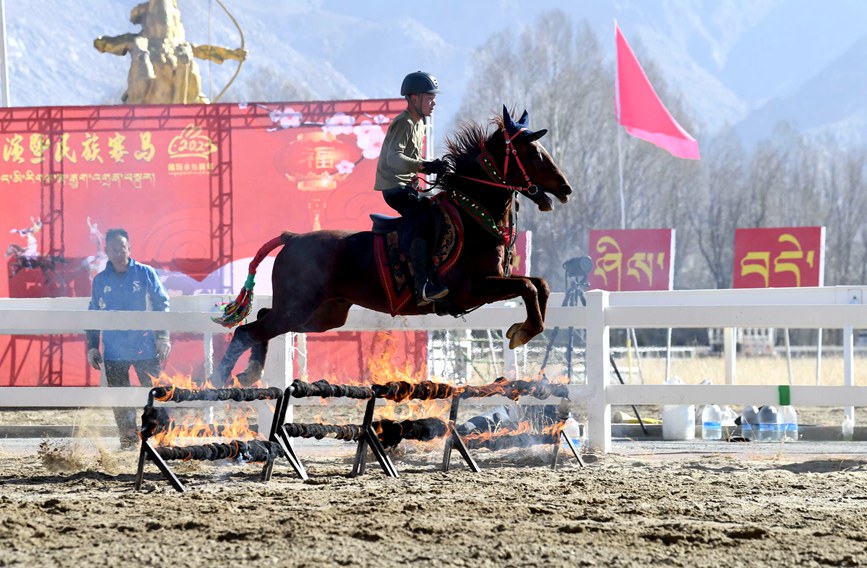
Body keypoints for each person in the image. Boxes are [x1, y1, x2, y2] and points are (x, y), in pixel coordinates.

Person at [85, 228, 171, 449]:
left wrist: (163, 337)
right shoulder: (100, 280)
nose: (118, 252)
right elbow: (93, 314)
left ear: (129, 248)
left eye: (122, 247)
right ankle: (128, 441)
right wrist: (92, 347)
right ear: (107, 251)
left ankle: (162, 440)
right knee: (120, 398)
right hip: (114, 350)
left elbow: (161, 304)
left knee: (155, 393)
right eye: (114, 248)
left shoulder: (145, 273)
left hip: (146, 346)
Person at [374, 70, 449, 306]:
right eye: (429, 98)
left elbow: (409, 160)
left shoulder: (419, 124)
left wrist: (422, 170)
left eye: (434, 98)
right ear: (414, 98)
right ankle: (423, 284)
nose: (434, 103)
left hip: (405, 185)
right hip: (394, 188)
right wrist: (424, 165)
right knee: (422, 218)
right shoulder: (405, 122)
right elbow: (393, 158)